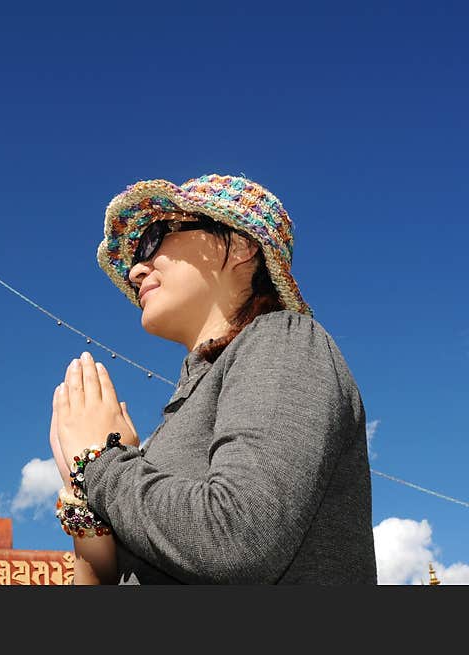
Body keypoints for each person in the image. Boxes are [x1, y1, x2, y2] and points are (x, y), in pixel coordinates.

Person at [49, 174, 377, 584]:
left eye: (153, 238)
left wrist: (100, 464)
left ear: (239, 245)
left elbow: (237, 538)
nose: (135, 270)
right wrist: (82, 495)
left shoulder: (284, 338)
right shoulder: (172, 422)